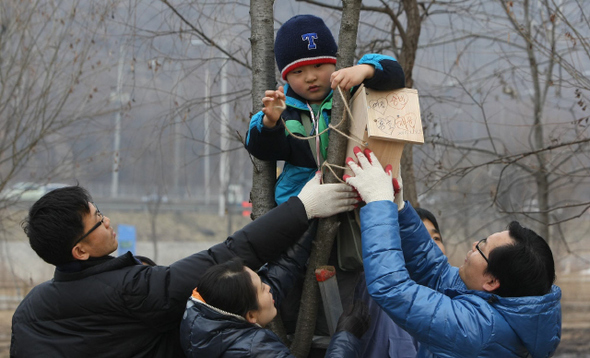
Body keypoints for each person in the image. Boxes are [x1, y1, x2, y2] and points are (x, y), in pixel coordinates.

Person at [10, 173, 357, 357]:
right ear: (81, 251)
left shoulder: (30, 311)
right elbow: (227, 255)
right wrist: (302, 208)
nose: (108, 221)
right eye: (98, 220)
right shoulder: (132, 291)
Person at [344, 147, 562, 358]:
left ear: (492, 280)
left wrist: (378, 204)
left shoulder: (477, 330)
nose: (474, 244)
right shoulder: (500, 304)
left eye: (482, 247)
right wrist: (398, 208)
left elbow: (392, 288)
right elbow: (436, 274)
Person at [245, 14, 405, 206]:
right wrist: (270, 122)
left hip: (359, 195)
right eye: (298, 71)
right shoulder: (284, 109)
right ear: (286, 78)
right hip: (303, 204)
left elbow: (396, 75)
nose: (310, 77)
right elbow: (262, 150)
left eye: (319, 65)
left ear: (335, 62)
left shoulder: (353, 88)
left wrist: (365, 70)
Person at [180, 227, 369, 357]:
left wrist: (310, 221)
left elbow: (276, 277)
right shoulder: (256, 351)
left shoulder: (204, 318)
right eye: (262, 289)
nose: (268, 287)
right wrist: (346, 336)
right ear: (251, 315)